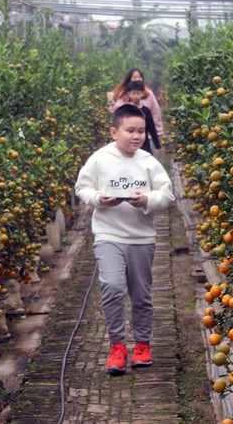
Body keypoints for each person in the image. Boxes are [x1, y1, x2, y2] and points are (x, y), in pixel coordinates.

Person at [75, 104, 175, 375]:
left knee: (141, 295)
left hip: (142, 238)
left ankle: (142, 344)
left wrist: (147, 200)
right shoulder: (99, 159)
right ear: (114, 131)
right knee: (112, 286)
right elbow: (82, 187)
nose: (136, 136)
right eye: (130, 130)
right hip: (108, 235)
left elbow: (167, 194)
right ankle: (117, 345)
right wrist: (98, 199)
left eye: (141, 131)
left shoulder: (148, 162)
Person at [109, 68, 164, 137]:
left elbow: (155, 113)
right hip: (129, 134)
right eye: (134, 78)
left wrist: (157, 132)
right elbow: (119, 111)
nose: (137, 79)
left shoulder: (149, 94)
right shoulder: (123, 95)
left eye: (139, 77)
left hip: (146, 134)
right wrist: (112, 104)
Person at [125, 80, 161, 154]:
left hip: (144, 144)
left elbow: (152, 129)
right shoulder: (126, 110)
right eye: (133, 94)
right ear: (129, 94)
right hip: (129, 144)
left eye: (138, 93)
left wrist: (157, 146)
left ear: (142, 94)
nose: (136, 96)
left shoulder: (146, 111)